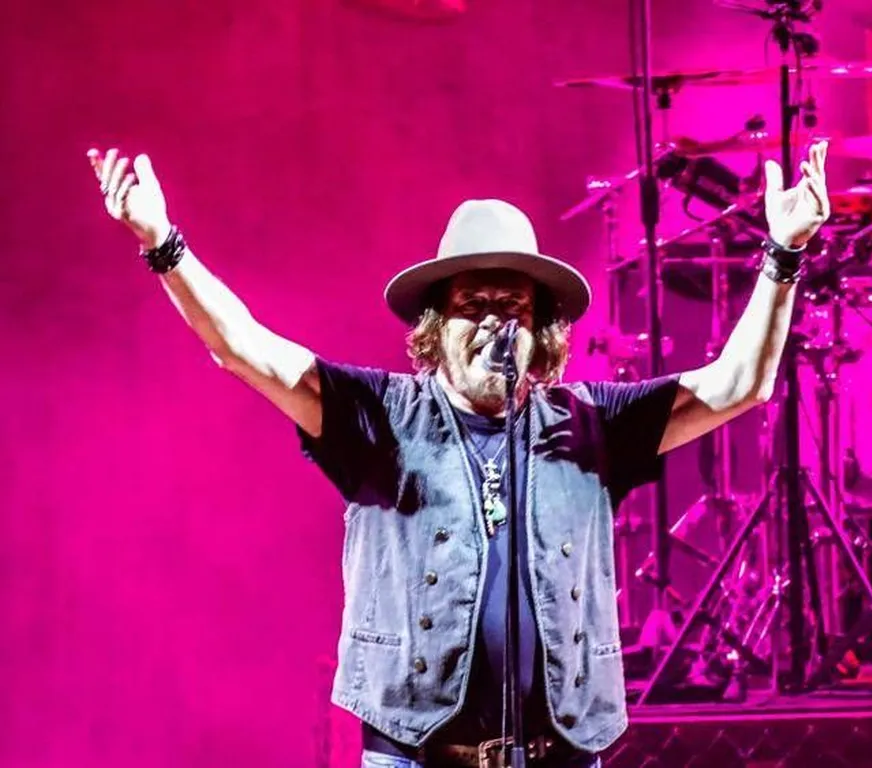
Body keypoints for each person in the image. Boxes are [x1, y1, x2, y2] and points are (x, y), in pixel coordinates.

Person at [86, 141, 830, 768]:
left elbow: (740, 384)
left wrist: (783, 254)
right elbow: (244, 350)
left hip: (565, 751)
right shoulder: (379, 416)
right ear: (435, 327)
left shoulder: (591, 422)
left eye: (513, 309)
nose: (493, 324)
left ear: (541, 332)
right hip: (414, 753)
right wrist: (164, 245)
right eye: (473, 307)